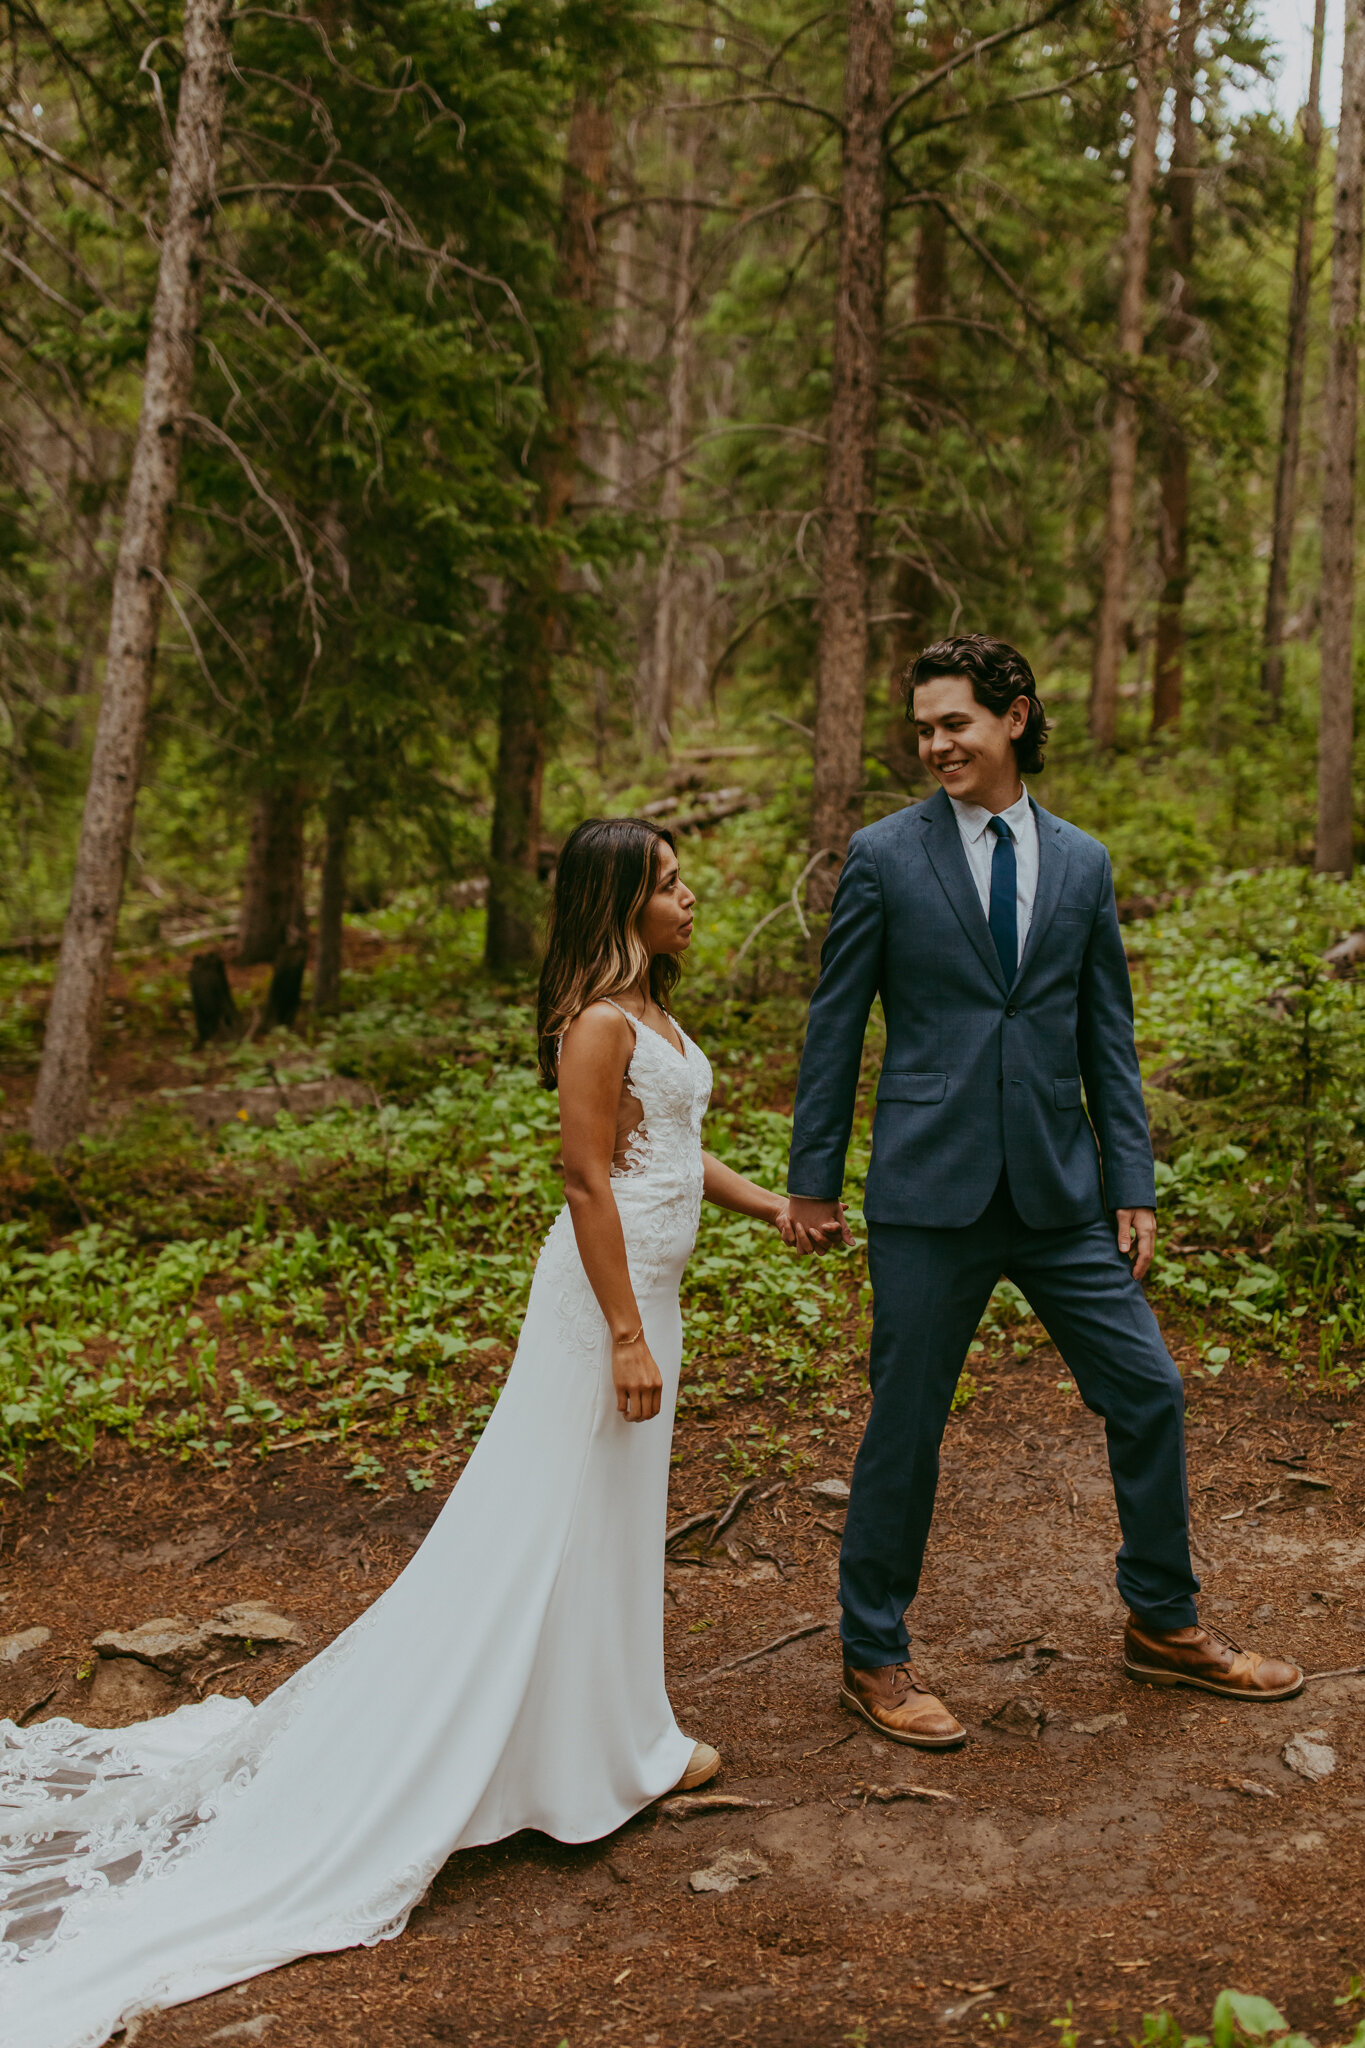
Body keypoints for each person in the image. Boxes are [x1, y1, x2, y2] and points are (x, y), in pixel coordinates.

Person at [0, 817, 792, 2048]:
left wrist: (773, 1204)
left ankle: (613, 1734)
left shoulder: (658, 1014)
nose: (691, 896)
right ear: (618, 903)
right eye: (671, 883)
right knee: (547, 1517)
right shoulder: (596, 1022)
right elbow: (588, 1180)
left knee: (614, 1520)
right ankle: (559, 1749)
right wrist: (628, 1332)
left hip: (657, 1294)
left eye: (684, 878)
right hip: (606, 1304)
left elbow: (674, 1157)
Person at [784, 634, 1303, 1750]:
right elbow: (836, 1028)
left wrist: (1134, 1180)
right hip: (928, 1192)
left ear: (1013, 717)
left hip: (1062, 1189)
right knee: (906, 1423)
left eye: (954, 723)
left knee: (1149, 1387)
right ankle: (872, 1650)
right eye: (922, 727)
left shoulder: (1082, 862)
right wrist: (812, 1181)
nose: (935, 744)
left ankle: (1163, 1622)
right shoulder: (883, 854)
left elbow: (1105, 1036)